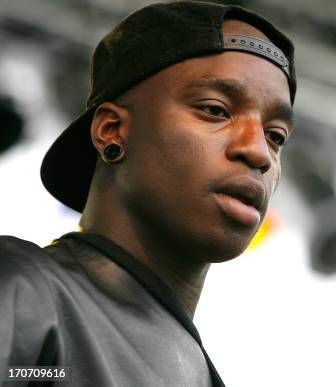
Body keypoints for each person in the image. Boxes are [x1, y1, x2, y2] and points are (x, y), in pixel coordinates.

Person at [0, 1, 296, 386]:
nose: (258, 152)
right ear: (112, 130)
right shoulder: (26, 289)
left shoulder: (203, 375)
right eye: (215, 110)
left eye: (276, 136)